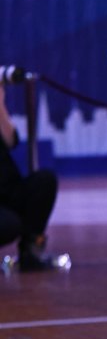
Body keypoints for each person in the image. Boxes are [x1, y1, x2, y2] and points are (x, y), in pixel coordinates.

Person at [0, 83, 58, 271]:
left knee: (44, 181)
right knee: (9, 224)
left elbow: (11, 140)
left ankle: (30, 252)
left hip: (8, 187)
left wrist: (0, 105)